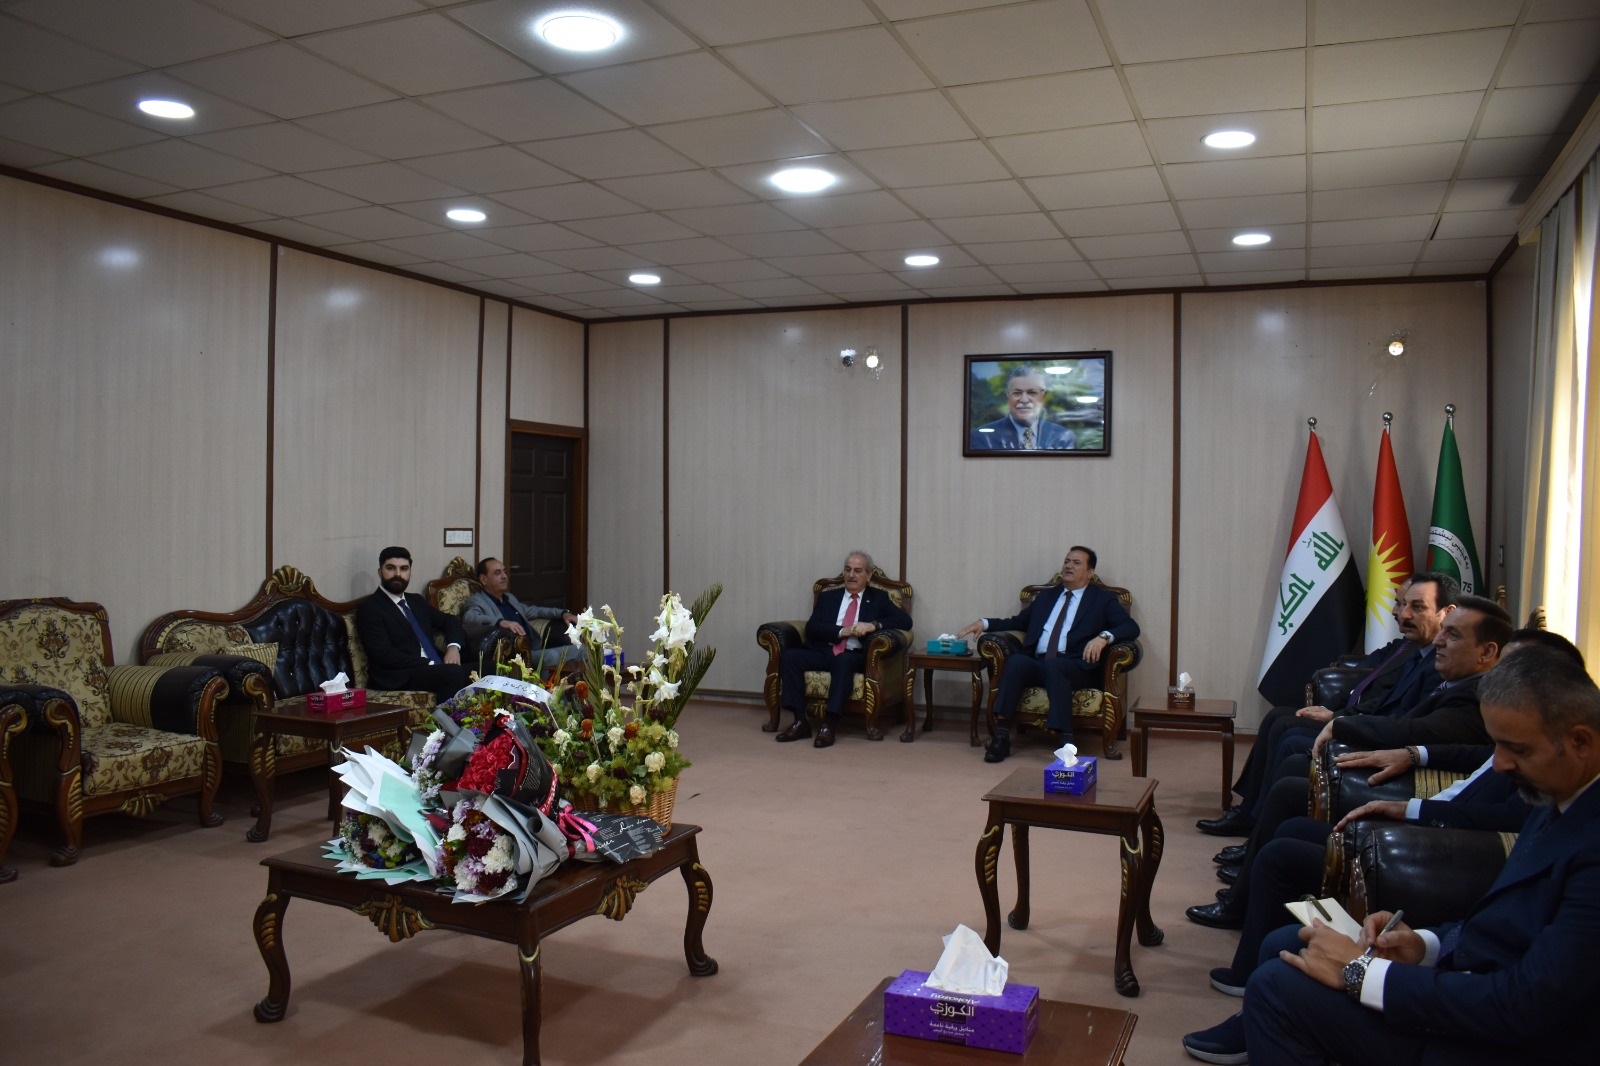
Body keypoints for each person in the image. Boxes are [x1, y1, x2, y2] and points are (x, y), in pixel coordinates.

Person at [1226, 645, 1600, 1066]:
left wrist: (1362, 974)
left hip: (1496, 1039)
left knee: (1277, 987)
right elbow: (1503, 920)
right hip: (1471, 989)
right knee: (1289, 943)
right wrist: (1423, 945)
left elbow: (1528, 1005)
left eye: (1517, 749)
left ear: (1580, 741)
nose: (1499, 765)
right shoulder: (1559, 792)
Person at [1185, 597, 1511, 934]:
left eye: (1452, 635)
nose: (1439, 640)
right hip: (1393, 769)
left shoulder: (1474, 696)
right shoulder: (1443, 673)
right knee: (1289, 772)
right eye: (1443, 631)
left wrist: (1345, 725)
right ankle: (1250, 872)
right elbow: (1393, 707)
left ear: (1487, 652)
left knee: (1292, 771)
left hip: (1417, 815)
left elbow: (1414, 730)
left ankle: (1245, 892)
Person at [1198, 573, 1455, 838]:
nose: (1401, 613)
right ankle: (1249, 811)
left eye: (1415, 606)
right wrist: (1333, 709)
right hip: (1362, 721)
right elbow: (1366, 679)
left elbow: (1398, 716)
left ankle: (1255, 820)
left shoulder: (1437, 664)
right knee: (1278, 718)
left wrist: (1341, 719)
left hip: (1373, 734)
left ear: (1446, 613)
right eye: (1402, 603)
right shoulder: (1411, 649)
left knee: (1288, 734)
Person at [958, 546, 1138, 763]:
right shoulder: (1046, 597)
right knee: (1016, 661)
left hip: (1077, 667)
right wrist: (984, 623)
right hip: (1040, 662)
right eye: (1067, 561)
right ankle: (1002, 736)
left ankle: (1066, 742)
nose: (1069, 566)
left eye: (1076, 563)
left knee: (1055, 667)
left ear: (1090, 572)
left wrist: (1103, 637)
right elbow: (1017, 622)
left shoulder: (1102, 599)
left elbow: (1130, 627)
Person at [774, 551, 912, 749]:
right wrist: (840, 631)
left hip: (854, 655)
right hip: (825, 651)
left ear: (868, 575)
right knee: (790, 657)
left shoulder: (878, 598)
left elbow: (905, 621)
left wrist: (873, 625)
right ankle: (800, 721)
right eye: (848, 570)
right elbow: (812, 628)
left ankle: (829, 724)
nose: (851, 575)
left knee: (843, 660)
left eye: (857, 571)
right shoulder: (828, 597)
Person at [353, 545, 470, 699]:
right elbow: (384, 654)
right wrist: (429, 663)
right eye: (390, 568)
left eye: (403, 569)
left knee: (489, 667)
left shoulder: (416, 601)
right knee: (452, 673)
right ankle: (444, 716)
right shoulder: (370, 608)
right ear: (380, 572)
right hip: (399, 675)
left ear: (409, 572)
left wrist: (453, 647)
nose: (398, 574)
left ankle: (484, 715)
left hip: (434, 668)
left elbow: (449, 621)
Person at [462, 557, 580, 671]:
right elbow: (470, 618)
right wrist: (500, 622)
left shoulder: (510, 598)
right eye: (497, 573)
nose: (504, 576)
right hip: (514, 656)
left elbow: (536, 611)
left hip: (532, 648)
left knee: (582, 649)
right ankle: (540, 686)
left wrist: (563, 613)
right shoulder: (477, 601)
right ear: (484, 579)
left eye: (504, 571)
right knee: (552, 656)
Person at [969, 365, 1077, 450]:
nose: (1024, 400)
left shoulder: (1063, 437)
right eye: (1017, 393)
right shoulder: (982, 437)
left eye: (1032, 392)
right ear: (1007, 397)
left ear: (1043, 397)